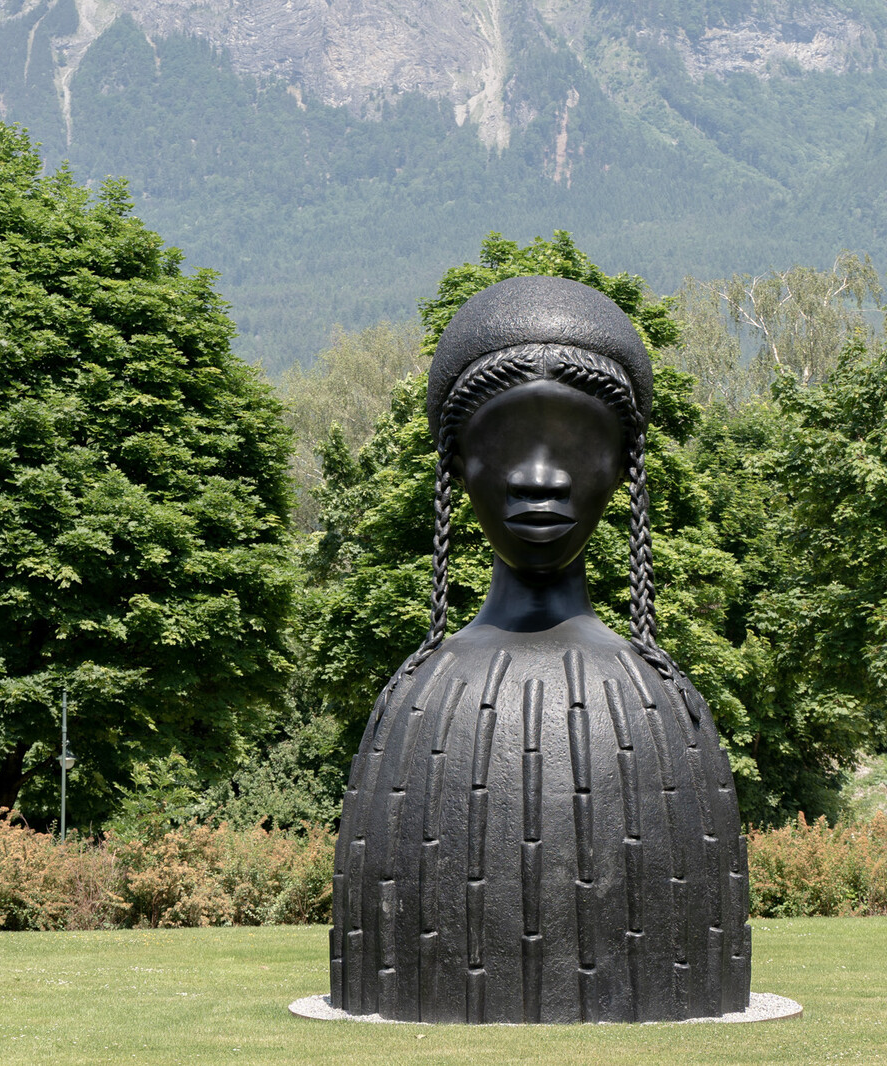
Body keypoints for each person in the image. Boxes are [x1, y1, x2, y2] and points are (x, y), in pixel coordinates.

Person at [329, 276, 750, 1023]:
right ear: (457, 469)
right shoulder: (414, 703)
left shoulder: (659, 701)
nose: (540, 480)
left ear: (623, 467)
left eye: (578, 447)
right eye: (505, 447)